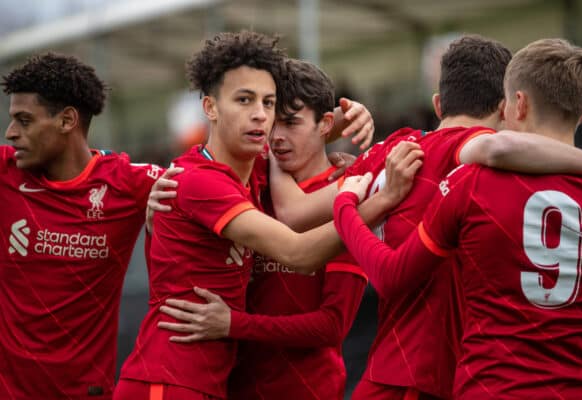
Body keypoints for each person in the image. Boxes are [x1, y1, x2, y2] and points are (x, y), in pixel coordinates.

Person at [268, 34, 582, 400]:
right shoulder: (481, 162)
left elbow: (292, 212)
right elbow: (494, 145)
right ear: (506, 108)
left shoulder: (392, 148)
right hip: (455, 375)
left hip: (394, 368)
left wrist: (271, 148)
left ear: (438, 104)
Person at [114, 31, 407, 400]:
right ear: (210, 107)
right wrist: (375, 202)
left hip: (224, 384)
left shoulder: (257, 171)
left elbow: (331, 325)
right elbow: (298, 250)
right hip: (167, 379)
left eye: (268, 104)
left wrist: (346, 124)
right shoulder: (202, 181)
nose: (261, 116)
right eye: (244, 100)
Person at [0, 53, 163, 399]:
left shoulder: (129, 183)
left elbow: (214, 190)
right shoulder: (5, 173)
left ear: (67, 120)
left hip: (87, 393)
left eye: (24, 120)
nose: (10, 133)